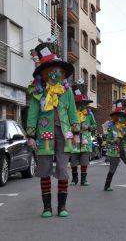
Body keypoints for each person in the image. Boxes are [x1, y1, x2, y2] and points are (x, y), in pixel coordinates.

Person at [26, 39, 80, 217]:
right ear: (45, 73)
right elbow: (33, 113)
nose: (55, 73)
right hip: (44, 135)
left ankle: (62, 206)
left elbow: (73, 112)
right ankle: (47, 207)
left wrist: (77, 133)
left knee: (63, 169)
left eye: (58, 70)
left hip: (65, 135)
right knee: (44, 169)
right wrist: (31, 135)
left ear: (62, 72)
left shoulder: (67, 91)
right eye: (51, 70)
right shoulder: (38, 91)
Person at [70, 81, 96, 186]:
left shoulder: (89, 114)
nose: (82, 105)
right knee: (74, 161)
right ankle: (74, 179)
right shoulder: (71, 113)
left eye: (83, 103)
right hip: (74, 140)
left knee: (84, 161)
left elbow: (95, 125)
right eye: (79, 103)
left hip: (85, 140)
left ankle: (84, 180)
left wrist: (88, 127)